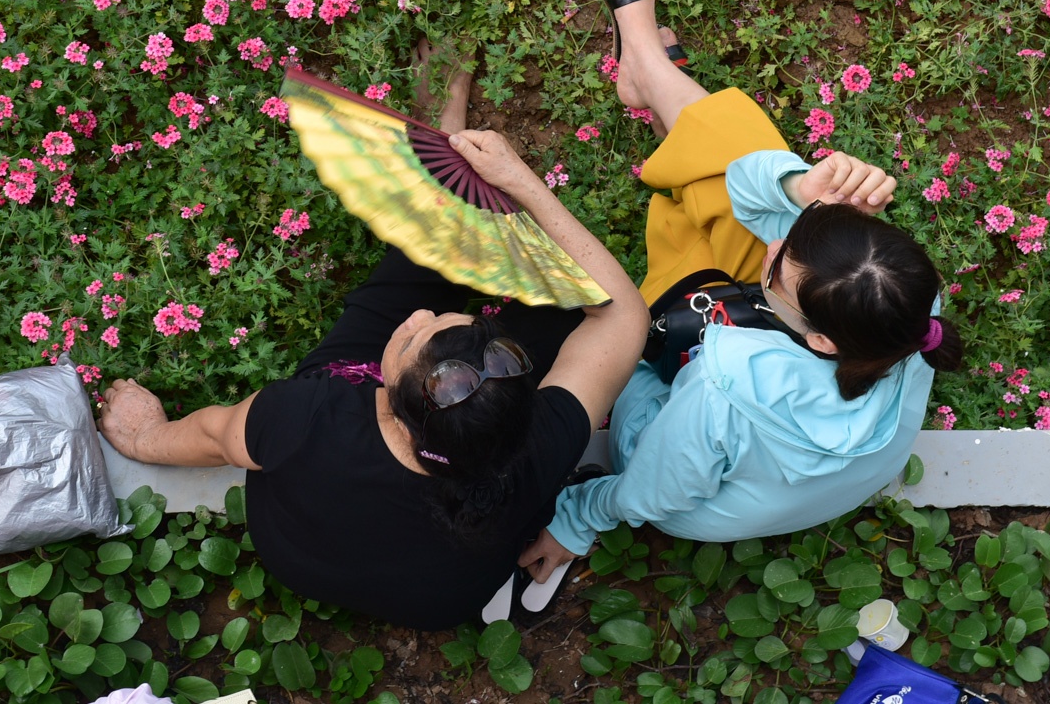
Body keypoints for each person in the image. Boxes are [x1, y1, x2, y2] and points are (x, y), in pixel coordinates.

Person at [97, 63, 649, 630]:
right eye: (436, 326)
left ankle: (444, 177)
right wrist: (522, 183)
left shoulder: (310, 417)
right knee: (568, 297)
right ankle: (454, 179)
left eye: (411, 337)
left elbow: (215, 436)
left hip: (295, 558)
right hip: (439, 604)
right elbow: (621, 313)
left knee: (411, 273)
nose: (419, 317)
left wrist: (144, 436)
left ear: (380, 390)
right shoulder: (537, 451)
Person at [516, 0, 964, 584]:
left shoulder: (730, 378)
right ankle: (649, 71)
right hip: (784, 412)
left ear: (815, 335)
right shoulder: (902, 298)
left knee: (705, 217)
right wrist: (802, 191)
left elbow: (655, 488)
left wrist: (578, 517)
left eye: (778, 267)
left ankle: (652, 76)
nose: (774, 245)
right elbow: (763, 209)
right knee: (757, 180)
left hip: (674, 427)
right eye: (808, 234)